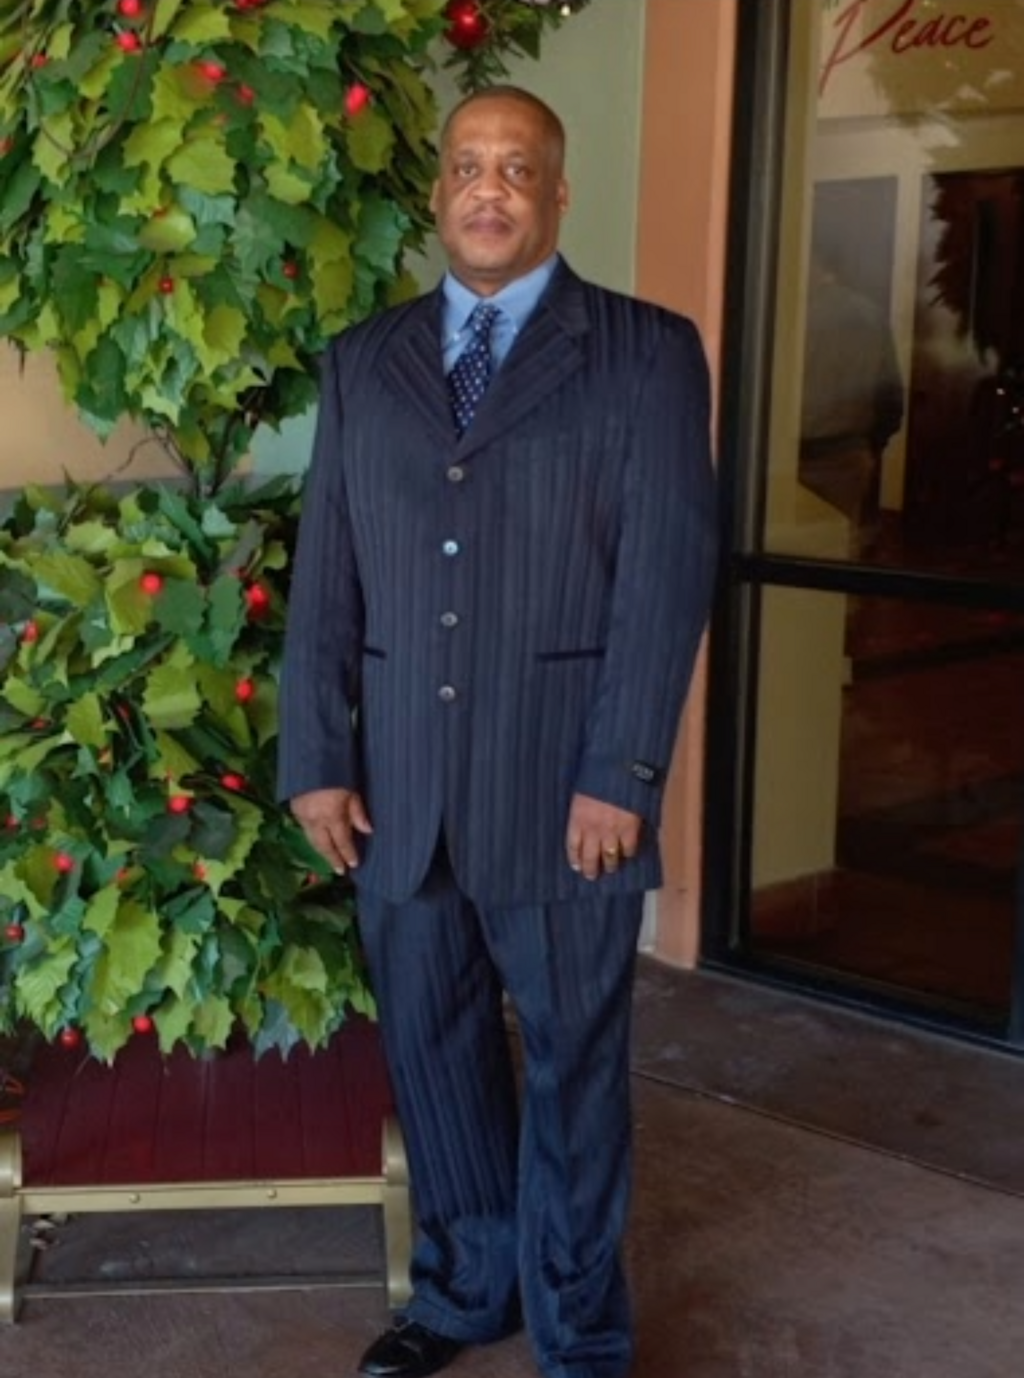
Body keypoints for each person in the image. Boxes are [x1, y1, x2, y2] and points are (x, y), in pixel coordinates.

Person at [278, 85, 717, 1378]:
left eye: (517, 169)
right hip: (400, 794)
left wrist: (621, 772)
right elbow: (327, 576)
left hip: (568, 794)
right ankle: (468, 1292)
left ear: (557, 193)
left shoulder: (644, 353)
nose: (489, 188)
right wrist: (318, 761)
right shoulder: (364, 360)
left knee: (576, 1071)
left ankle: (579, 1332)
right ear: (438, 192)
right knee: (435, 1054)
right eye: (469, 165)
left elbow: (663, 580)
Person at [799, 248, 904, 557]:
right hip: (849, 456)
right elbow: (891, 395)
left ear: (813, 263)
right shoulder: (870, 315)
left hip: (800, 456)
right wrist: (871, 447)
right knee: (839, 551)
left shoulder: (796, 314)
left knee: (792, 555)